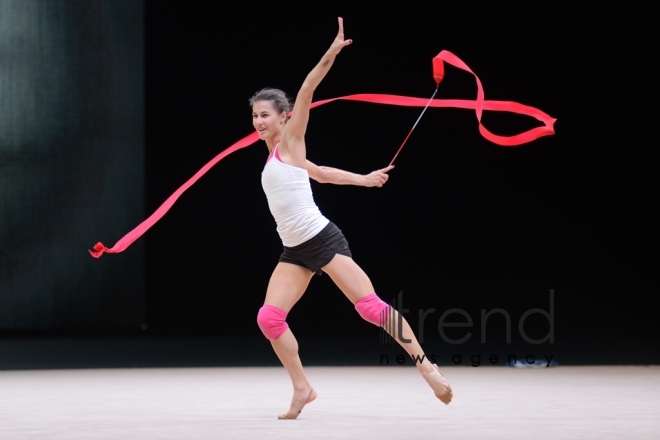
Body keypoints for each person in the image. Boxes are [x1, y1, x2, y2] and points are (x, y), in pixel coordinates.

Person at [251, 17, 452, 420]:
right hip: (294, 249)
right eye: (254, 116)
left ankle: (426, 367)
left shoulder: (290, 140)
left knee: (370, 307)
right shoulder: (280, 155)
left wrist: (331, 52)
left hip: (321, 239)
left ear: (285, 116)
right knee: (269, 318)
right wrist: (364, 179)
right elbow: (321, 173)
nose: (258, 122)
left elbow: (308, 89)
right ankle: (302, 388)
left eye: (265, 116)